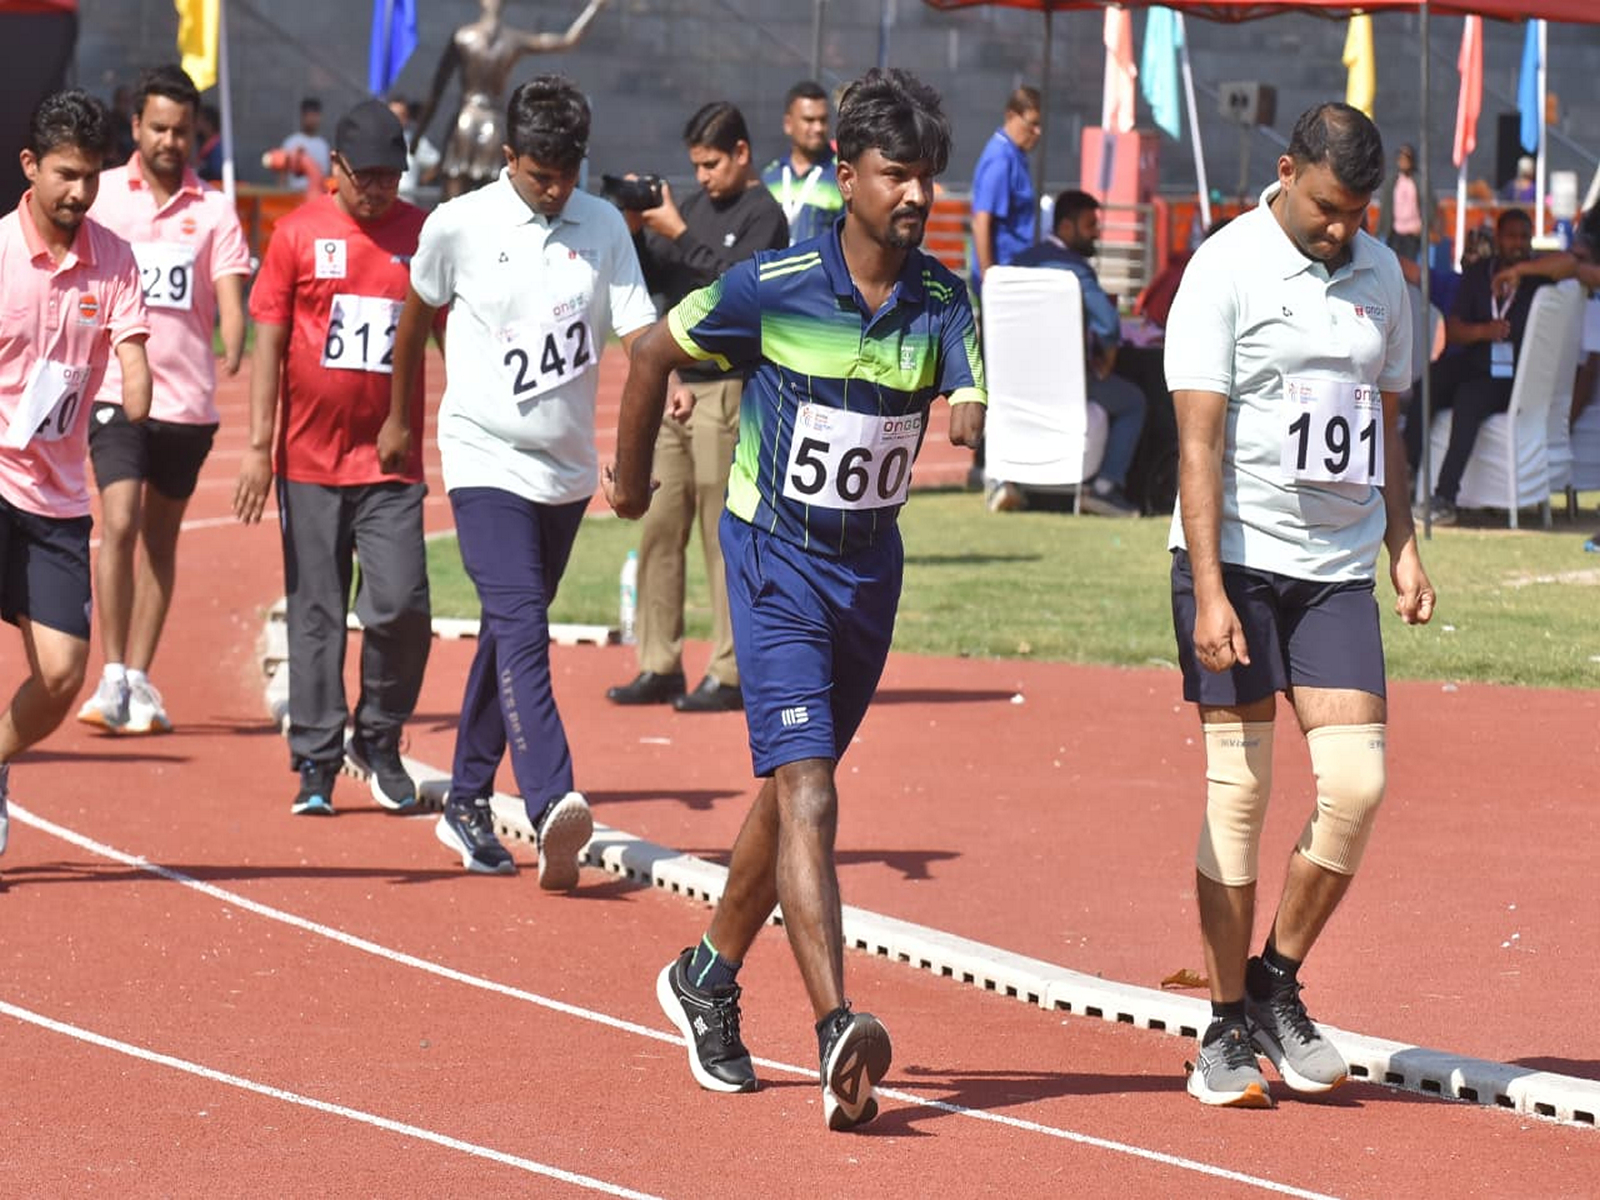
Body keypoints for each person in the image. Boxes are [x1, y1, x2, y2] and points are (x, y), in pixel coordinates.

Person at [608, 67, 986, 1131]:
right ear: (846, 176)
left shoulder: (943, 299)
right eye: (895, 174)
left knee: (785, 798)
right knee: (811, 791)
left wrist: (967, 411)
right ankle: (836, 1031)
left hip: (868, 575)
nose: (914, 195)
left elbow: (965, 380)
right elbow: (648, 353)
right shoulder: (773, 282)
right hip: (773, 562)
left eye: (926, 178)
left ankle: (704, 975)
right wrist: (633, 479)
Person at [1165, 102, 1434, 1108]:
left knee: (1355, 785)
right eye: (1326, 209)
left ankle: (1275, 978)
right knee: (1237, 793)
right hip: (1233, 557)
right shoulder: (1223, 268)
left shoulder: (1380, 275)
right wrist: (1206, 585)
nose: (1341, 229)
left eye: (1357, 213)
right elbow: (1196, 440)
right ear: (1284, 173)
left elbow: (1386, 427)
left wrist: (1402, 546)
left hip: (1335, 566)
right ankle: (1224, 1026)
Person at [384, 75, 656, 879]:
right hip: (483, 456)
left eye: (568, 171)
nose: (556, 186)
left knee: (509, 629)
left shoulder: (603, 225)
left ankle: (466, 800)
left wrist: (665, 390)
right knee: (523, 621)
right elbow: (412, 324)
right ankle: (550, 803)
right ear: (508, 158)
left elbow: (640, 332)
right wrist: (400, 417)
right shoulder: (457, 225)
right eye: (542, 173)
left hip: (564, 471)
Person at [233, 99, 434, 817]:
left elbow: (456, 336)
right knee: (316, 613)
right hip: (309, 463)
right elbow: (269, 344)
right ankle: (316, 758)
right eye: (366, 176)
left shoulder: (423, 236)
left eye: (391, 176)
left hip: (390, 462)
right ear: (336, 169)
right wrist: (259, 449)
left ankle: (377, 738)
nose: (379, 189)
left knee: (402, 604)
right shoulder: (296, 234)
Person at [74, 65, 249, 736]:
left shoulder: (214, 210)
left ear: (196, 135)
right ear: (137, 128)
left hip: (188, 404)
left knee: (160, 541)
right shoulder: (106, 198)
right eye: (159, 128)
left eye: (182, 131)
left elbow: (230, 289)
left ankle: (139, 677)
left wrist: (234, 338)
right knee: (116, 523)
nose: (171, 141)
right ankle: (111, 671)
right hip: (117, 391)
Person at [0, 89, 151, 857]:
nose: (80, 193)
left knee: (61, 677)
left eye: (91, 177)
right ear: (30, 167)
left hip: (56, 498)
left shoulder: (114, 258)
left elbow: (131, 345)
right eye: (66, 175)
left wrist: (134, 377)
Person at [606, 102, 788, 713]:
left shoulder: (768, 215)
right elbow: (653, 278)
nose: (704, 177)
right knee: (658, 528)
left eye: (712, 164)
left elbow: (742, 288)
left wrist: (679, 232)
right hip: (672, 385)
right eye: (696, 166)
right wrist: (634, 227)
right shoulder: (690, 206)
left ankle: (732, 672)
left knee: (721, 534)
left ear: (741, 152)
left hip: (729, 389)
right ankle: (659, 663)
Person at [992, 188, 1146, 517]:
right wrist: (1106, 355)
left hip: (1013, 387)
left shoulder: (1017, 265)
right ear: (1065, 227)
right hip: (1066, 385)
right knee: (1134, 401)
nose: (1097, 233)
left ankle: (1005, 478)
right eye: (1090, 225)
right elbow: (1109, 325)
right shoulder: (1075, 270)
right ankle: (1106, 487)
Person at [1408, 208, 1556, 526]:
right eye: (1511, 236)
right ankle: (1408, 477)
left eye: (1524, 236)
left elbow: (1572, 264)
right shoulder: (1478, 274)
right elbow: (1453, 328)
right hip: (1475, 361)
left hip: (1514, 378)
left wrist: (1523, 271)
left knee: (1469, 398)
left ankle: (1445, 497)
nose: (1518, 243)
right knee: (1429, 382)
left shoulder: (1539, 278)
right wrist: (1484, 332)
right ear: (1498, 238)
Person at [412, 0, 609, 201]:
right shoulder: (512, 39)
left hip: (465, 121)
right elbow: (568, 41)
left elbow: (436, 92)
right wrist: (594, 8)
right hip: (494, 125)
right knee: (492, 204)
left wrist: (416, 139)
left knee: (453, 202)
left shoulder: (463, 36)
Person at [968, 85, 1041, 292]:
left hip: (1014, 273)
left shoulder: (1015, 155)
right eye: (1032, 124)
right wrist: (988, 278)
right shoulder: (1000, 159)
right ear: (1011, 116)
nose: (1037, 132)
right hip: (1002, 278)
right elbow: (981, 222)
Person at [760, 81, 842, 248]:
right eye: (809, 120)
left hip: (820, 274)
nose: (818, 128)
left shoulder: (842, 174)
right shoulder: (769, 177)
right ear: (788, 124)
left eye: (823, 120)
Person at [387, 95, 440, 206]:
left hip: (406, 206)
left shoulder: (416, 143)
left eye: (401, 115)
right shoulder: (374, 142)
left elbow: (437, 164)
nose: (396, 120)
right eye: (392, 115)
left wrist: (421, 182)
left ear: (406, 118)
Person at [278, 97, 331, 193]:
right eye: (309, 115)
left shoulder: (323, 145)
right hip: (294, 197)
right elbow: (283, 175)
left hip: (317, 198)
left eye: (316, 116)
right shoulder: (291, 142)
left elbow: (326, 176)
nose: (313, 120)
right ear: (302, 116)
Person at [194, 104, 223, 183]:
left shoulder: (218, 148)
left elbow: (218, 174)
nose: (196, 124)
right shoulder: (203, 145)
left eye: (199, 120)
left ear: (208, 124)